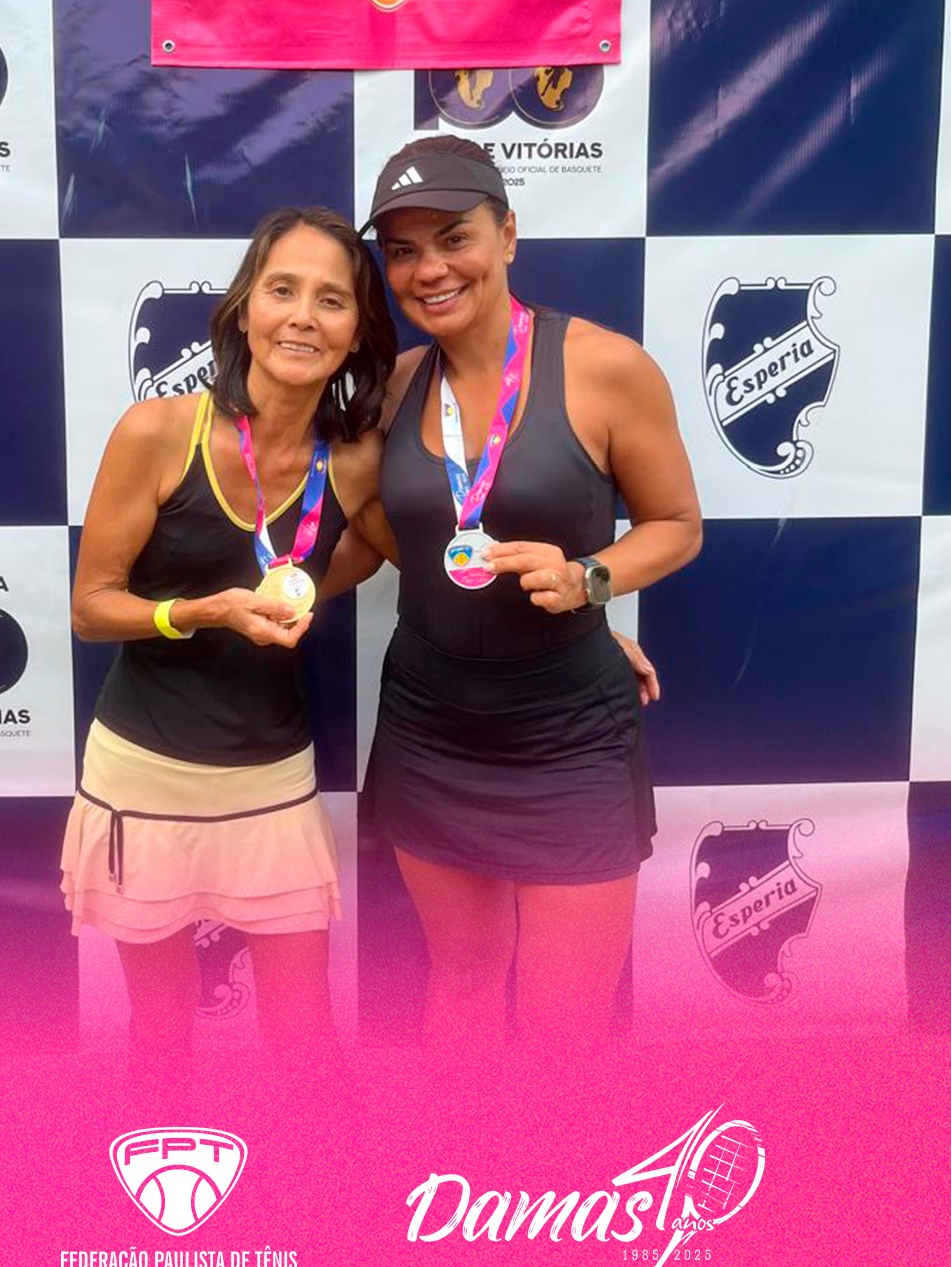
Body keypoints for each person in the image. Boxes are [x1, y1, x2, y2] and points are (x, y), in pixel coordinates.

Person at [351, 135, 702, 1059]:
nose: (429, 270)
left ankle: (552, 1162)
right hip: (430, 720)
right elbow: (401, 536)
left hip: (566, 734)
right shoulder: (396, 387)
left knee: (562, 1027)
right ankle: (466, 1157)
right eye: (402, 251)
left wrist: (590, 583)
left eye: (453, 238)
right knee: (462, 982)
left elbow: (676, 525)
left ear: (507, 233)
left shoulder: (606, 367)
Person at [60, 205, 396, 1078]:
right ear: (244, 309)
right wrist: (201, 612)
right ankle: (163, 1173)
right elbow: (91, 608)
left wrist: (583, 628)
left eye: (331, 300)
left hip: (270, 776)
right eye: (282, 290)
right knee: (161, 1030)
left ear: (356, 333)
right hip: (143, 773)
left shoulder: (354, 462)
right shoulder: (158, 432)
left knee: (305, 1033)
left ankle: (319, 1172)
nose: (303, 317)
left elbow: (411, 554)